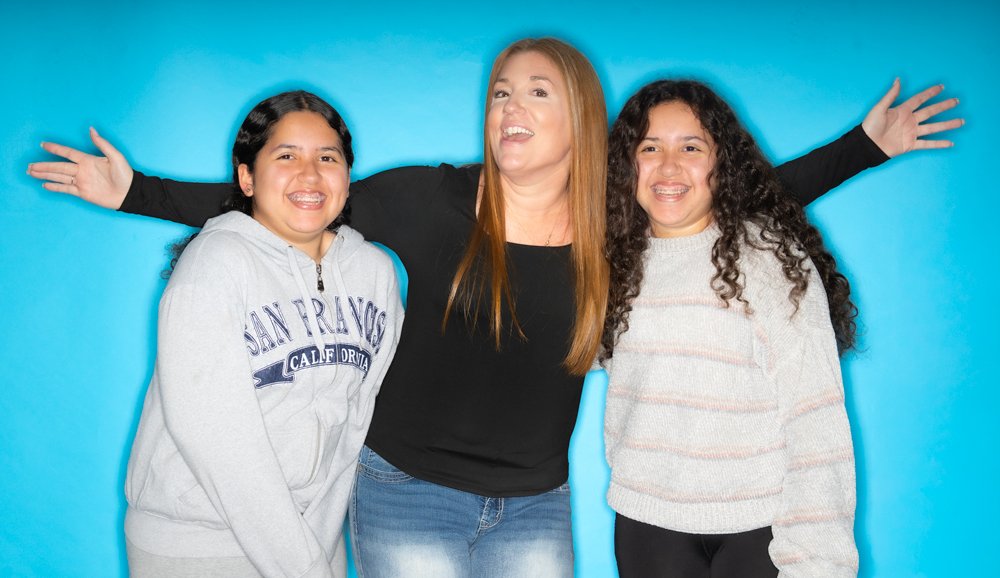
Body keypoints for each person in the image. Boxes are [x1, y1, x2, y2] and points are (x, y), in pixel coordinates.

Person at [27, 38, 961, 577]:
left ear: (581, 119)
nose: (509, 104)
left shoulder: (613, 216)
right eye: (499, 92)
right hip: (404, 492)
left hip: (534, 506)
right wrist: (138, 192)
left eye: (536, 91)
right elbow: (293, 200)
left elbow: (732, 193)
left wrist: (862, 150)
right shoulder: (429, 198)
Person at [118, 90, 402, 577]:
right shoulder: (215, 263)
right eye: (286, 155)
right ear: (247, 176)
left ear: (347, 177)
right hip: (196, 544)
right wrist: (303, 565)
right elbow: (215, 435)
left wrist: (320, 543)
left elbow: (356, 419)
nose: (310, 175)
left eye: (327, 157)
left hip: (312, 540)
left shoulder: (373, 273)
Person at [601, 79, 869, 577]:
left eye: (691, 147)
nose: (668, 167)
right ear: (626, 165)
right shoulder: (610, 263)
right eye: (650, 147)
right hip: (646, 521)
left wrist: (818, 562)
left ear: (722, 162)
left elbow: (814, 415)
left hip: (760, 525)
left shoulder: (771, 259)